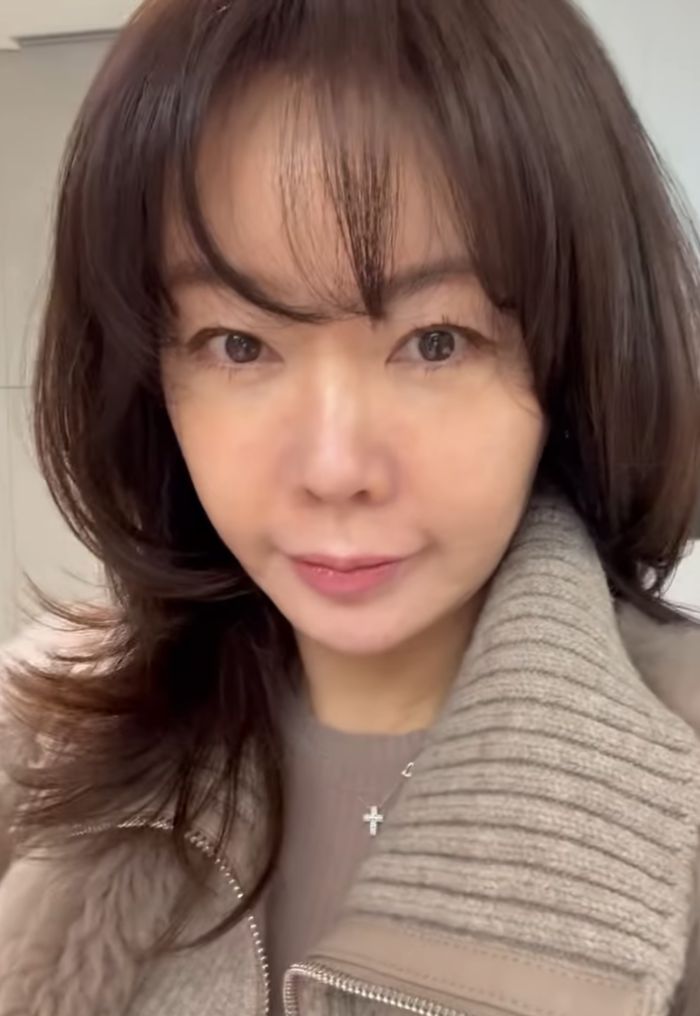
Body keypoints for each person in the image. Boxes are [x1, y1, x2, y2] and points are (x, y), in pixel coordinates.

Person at [0, 0, 699, 1013]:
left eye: (436, 341)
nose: (334, 468)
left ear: (566, 357)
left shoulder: (680, 786)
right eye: (239, 344)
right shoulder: (37, 735)